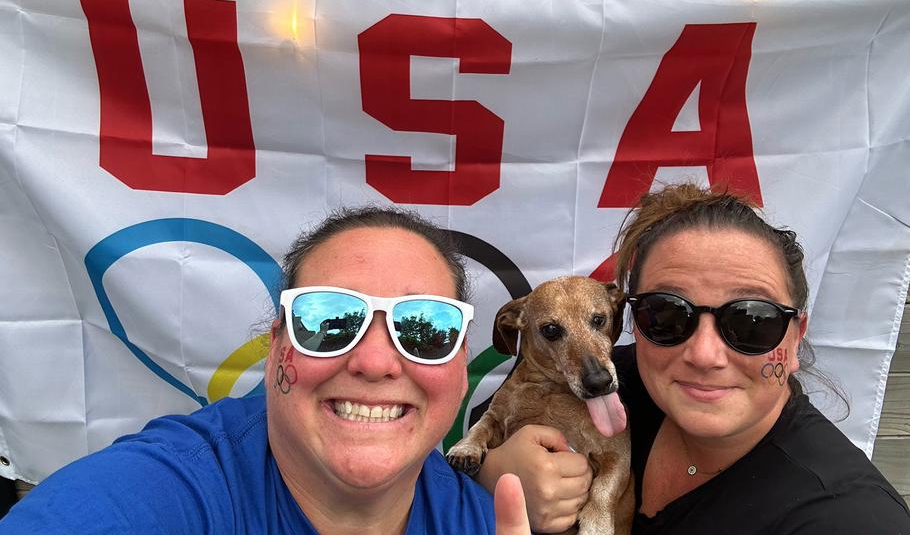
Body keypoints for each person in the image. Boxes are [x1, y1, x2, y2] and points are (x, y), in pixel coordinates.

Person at [0, 207, 521, 534]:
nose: (375, 362)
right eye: (328, 319)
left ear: (457, 361)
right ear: (277, 348)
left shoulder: (479, 519)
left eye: (425, 327)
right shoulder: (172, 490)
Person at [479, 183, 910, 533]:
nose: (704, 354)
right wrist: (494, 474)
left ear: (795, 339)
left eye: (751, 320)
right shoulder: (621, 378)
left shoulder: (846, 518)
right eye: (666, 314)